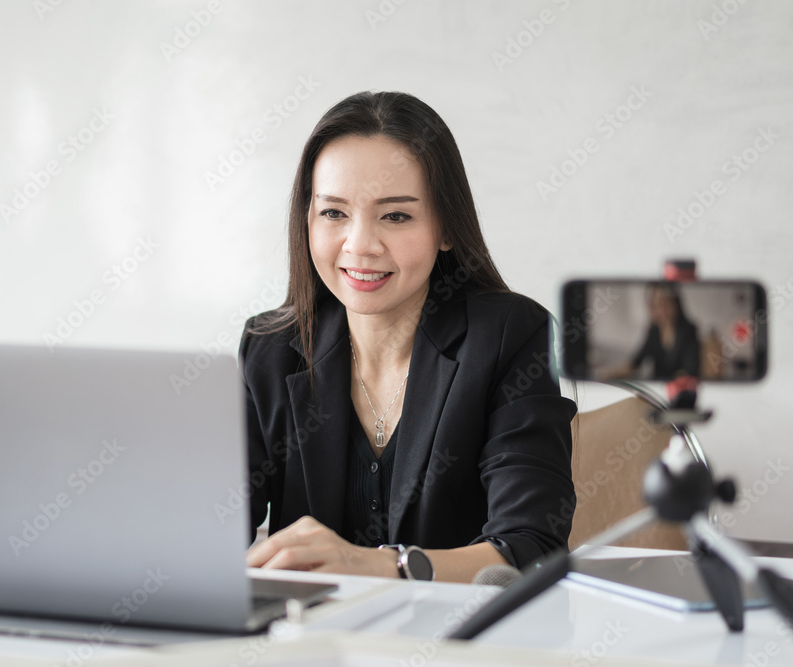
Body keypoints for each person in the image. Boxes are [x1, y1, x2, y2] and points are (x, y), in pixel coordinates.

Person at [239, 91, 576, 583]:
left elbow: (533, 549)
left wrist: (380, 566)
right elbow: (209, 532)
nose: (360, 245)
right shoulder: (269, 348)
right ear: (306, 218)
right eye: (334, 213)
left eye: (395, 216)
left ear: (446, 227)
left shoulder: (510, 337)